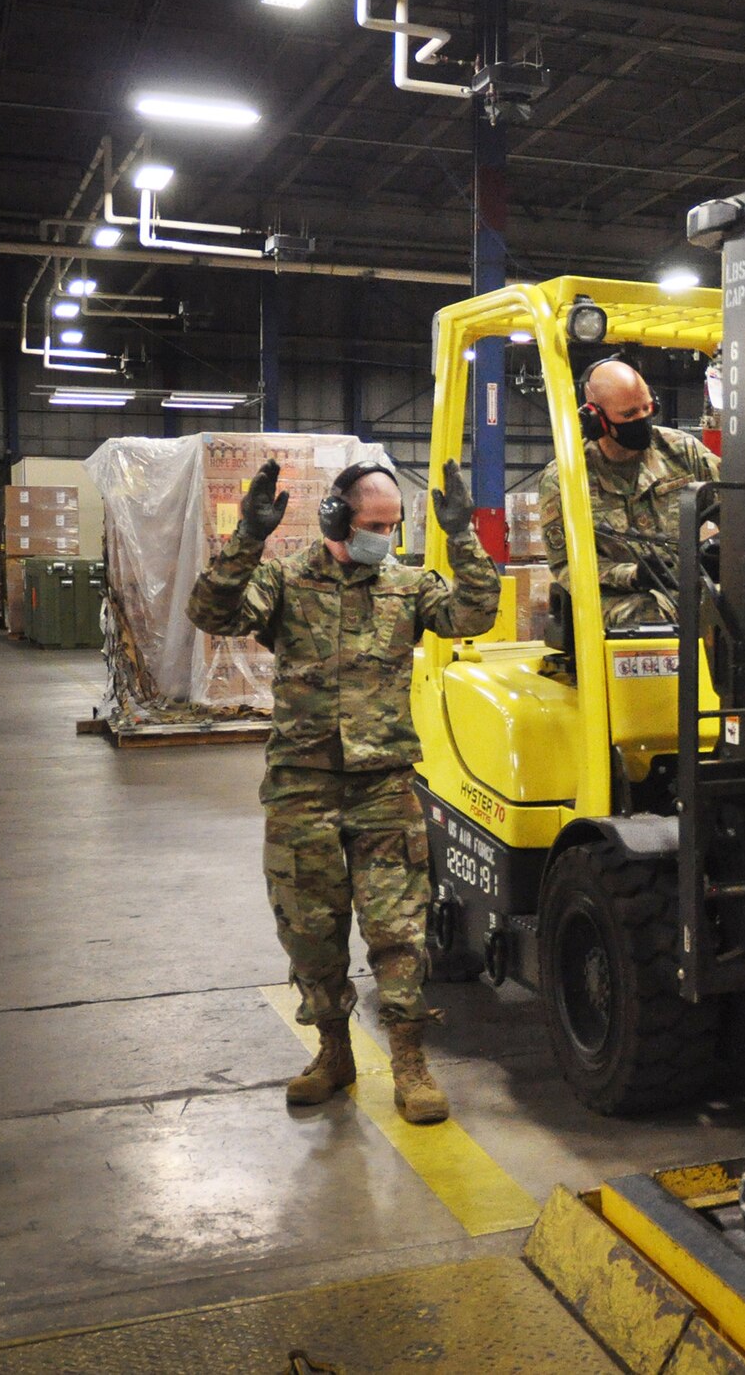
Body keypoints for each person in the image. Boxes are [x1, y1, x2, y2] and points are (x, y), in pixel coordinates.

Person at [187, 458, 500, 1123]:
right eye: (373, 524)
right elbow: (210, 614)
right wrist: (247, 536)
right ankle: (333, 1053)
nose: (384, 536)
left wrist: (463, 535)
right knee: (312, 933)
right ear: (335, 516)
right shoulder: (284, 580)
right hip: (302, 787)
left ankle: (411, 1063)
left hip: (383, 786)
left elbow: (476, 613)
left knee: (399, 933)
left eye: (393, 525)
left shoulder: (408, 584)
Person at [535, 357, 719, 627]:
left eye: (647, 408)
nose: (642, 419)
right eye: (629, 415)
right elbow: (567, 567)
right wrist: (632, 575)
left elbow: (735, 501)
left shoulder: (682, 451)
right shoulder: (566, 478)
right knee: (650, 618)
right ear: (596, 419)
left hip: (684, 587)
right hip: (614, 597)